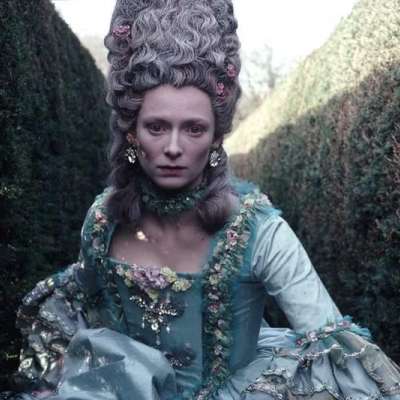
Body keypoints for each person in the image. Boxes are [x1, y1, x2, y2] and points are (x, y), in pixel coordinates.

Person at [4, 0, 400, 399]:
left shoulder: (259, 231)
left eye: (194, 129)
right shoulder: (103, 222)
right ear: (132, 133)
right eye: (157, 127)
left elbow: (332, 344)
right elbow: (82, 315)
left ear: (214, 138)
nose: (173, 147)